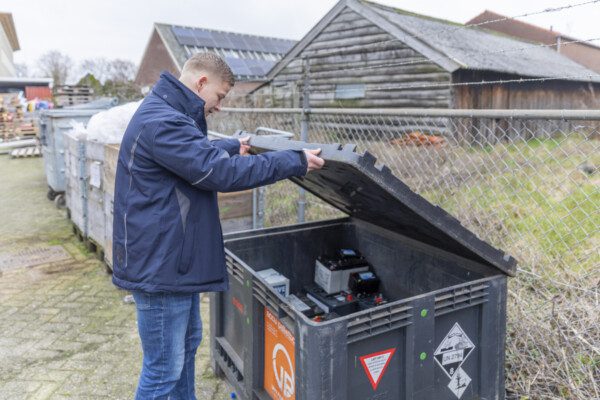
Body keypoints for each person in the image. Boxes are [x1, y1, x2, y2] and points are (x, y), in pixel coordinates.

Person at [111, 52, 324, 399]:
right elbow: (217, 172)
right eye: (220, 96)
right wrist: (293, 161)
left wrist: (229, 145)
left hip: (170, 260)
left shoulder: (168, 114)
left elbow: (192, 153)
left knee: (186, 347)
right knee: (163, 369)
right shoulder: (163, 121)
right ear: (201, 83)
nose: (219, 106)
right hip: (160, 265)